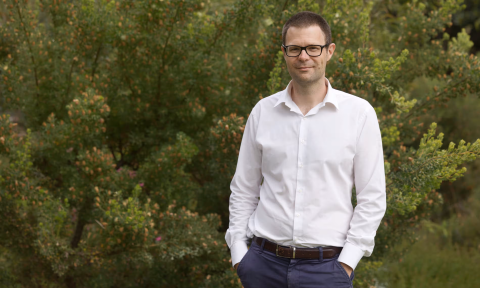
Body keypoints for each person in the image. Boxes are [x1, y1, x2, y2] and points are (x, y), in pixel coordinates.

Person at [224, 11, 387, 288]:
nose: (304, 56)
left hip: (327, 271)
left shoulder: (359, 114)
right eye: (295, 48)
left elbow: (372, 198)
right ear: (284, 52)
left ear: (329, 51)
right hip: (263, 266)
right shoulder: (263, 112)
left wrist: (347, 263)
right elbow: (244, 189)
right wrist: (239, 253)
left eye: (313, 48)